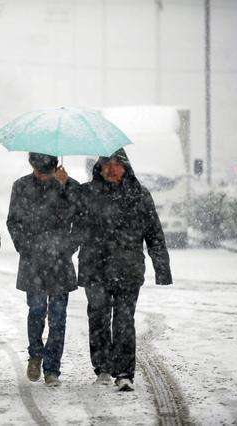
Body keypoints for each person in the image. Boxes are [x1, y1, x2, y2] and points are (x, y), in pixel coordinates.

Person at [74, 148, 172, 392]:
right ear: (99, 167)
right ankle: (103, 368)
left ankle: (124, 373)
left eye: (117, 163)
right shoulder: (86, 194)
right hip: (95, 268)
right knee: (98, 318)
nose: (111, 168)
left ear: (126, 166)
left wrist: (162, 269)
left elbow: (154, 235)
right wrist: (65, 185)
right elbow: (72, 227)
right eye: (106, 163)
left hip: (128, 269)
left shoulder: (139, 195)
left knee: (124, 321)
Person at [7, 153, 79, 387]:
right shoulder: (21, 186)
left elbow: (79, 217)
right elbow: (13, 221)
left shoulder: (70, 186)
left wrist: (64, 186)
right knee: (36, 310)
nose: (41, 175)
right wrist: (25, 247)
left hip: (60, 260)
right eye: (37, 171)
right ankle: (35, 354)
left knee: (58, 317)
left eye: (44, 171)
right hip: (33, 260)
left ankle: (52, 368)